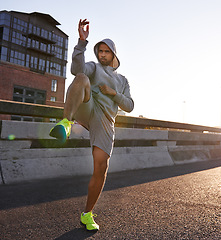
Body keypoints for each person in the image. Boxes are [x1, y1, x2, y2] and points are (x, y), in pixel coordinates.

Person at [49, 19, 134, 231]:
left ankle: (87, 214)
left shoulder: (123, 80)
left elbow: (130, 105)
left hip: (105, 121)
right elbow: (76, 69)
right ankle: (66, 123)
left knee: (100, 168)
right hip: (89, 107)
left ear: (114, 54)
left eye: (106, 52)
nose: (102, 55)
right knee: (80, 77)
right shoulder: (94, 67)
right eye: (100, 51)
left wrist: (113, 94)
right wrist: (81, 42)